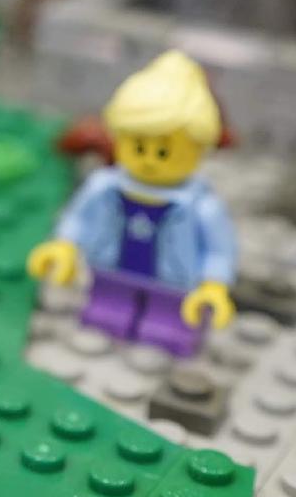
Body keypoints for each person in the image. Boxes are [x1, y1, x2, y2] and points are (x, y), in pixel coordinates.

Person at [28, 51, 236, 357]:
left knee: (166, 325)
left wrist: (214, 285)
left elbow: (218, 250)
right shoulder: (104, 186)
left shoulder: (202, 206)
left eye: (163, 152)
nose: (149, 160)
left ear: (199, 148)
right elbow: (79, 218)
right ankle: (111, 316)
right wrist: (64, 245)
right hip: (109, 271)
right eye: (138, 147)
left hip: (172, 286)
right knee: (106, 313)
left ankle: (166, 329)